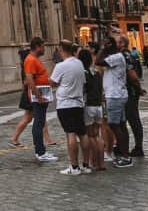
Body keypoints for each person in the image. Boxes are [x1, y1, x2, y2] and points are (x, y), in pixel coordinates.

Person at [50, 40, 91, 175]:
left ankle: (74, 167)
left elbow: (53, 82)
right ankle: (86, 164)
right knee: (82, 133)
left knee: (70, 133)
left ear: (61, 49)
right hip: (78, 103)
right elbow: (83, 82)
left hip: (66, 104)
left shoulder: (60, 66)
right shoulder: (79, 63)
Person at [96, 35, 132, 168]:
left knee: (114, 125)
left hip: (115, 95)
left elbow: (98, 61)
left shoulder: (116, 57)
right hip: (118, 94)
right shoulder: (116, 57)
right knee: (121, 125)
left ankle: (125, 156)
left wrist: (104, 48)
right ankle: (125, 154)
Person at [9, 44, 55, 148]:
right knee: (32, 117)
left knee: (36, 117)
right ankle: (14, 138)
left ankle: (47, 139)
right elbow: (27, 81)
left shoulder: (26, 64)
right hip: (30, 94)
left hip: (29, 93)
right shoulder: (29, 64)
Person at [22, 36, 56, 163]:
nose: (44, 49)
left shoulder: (34, 59)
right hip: (39, 97)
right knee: (38, 123)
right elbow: (29, 79)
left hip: (42, 96)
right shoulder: (30, 60)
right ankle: (40, 152)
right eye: (43, 46)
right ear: (37, 46)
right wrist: (39, 95)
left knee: (40, 122)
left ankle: (41, 150)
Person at [118, 35, 146, 157]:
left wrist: (138, 88)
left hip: (130, 92)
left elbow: (133, 75)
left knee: (133, 120)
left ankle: (138, 147)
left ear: (122, 44)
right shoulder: (123, 55)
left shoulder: (125, 55)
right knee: (124, 121)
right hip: (125, 91)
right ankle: (123, 146)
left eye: (117, 42)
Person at [78, 49, 105, 171]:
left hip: (89, 106)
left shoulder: (83, 73)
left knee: (90, 136)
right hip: (98, 105)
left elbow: (83, 91)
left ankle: (94, 161)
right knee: (97, 135)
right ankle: (101, 163)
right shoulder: (96, 72)